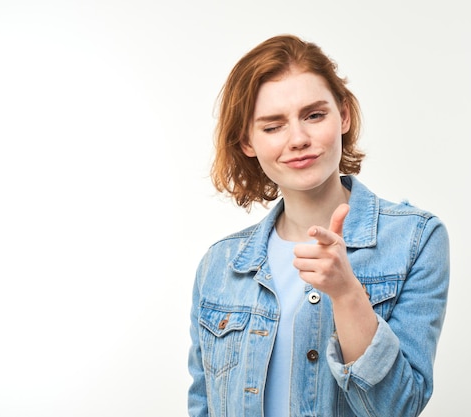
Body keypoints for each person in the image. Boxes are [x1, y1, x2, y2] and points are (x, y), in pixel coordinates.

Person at [188, 34, 449, 417]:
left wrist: (346, 294)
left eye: (314, 115)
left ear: (343, 115)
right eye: (273, 126)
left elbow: (397, 408)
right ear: (247, 141)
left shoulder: (416, 240)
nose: (298, 139)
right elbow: (203, 406)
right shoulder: (220, 264)